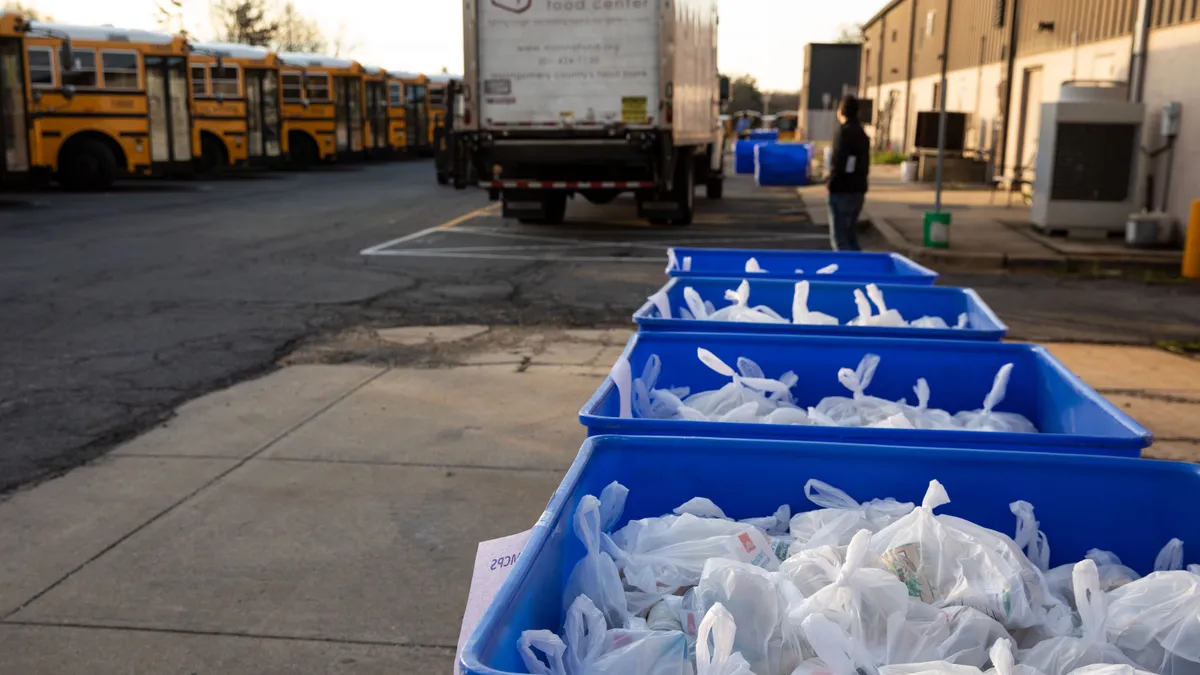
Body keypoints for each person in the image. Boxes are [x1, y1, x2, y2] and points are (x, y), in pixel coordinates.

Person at [826, 95, 871, 252]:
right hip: (858, 189)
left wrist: (831, 183)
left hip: (842, 190)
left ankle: (845, 272)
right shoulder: (862, 134)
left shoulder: (843, 133)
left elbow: (840, 162)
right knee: (850, 235)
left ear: (841, 112)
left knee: (840, 239)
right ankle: (859, 270)